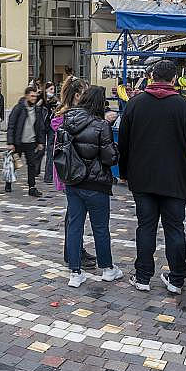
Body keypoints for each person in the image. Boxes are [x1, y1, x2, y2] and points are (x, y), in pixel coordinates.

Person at [118, 59, 186, 295]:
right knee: (175, 228)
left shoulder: (135, 104)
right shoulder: (184, 106)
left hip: (142, 177)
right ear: (174, 79)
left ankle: (143, 276)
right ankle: (176, 278)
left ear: (152, 77)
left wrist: (124, 172)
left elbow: (123, 144)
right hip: (175, 177)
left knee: (145, 227)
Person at [61, 86, 122, 287]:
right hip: (96, 183)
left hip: (73, 181)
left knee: (74, 226)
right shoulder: (101, 125)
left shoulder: (68, 119)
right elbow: (110, 158)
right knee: (100, 227)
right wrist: (116, 150)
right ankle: (107, 268)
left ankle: (75, 272)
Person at [51, 77, 96, 269]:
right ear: (77, 95)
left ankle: (75, 250)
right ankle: (73, 252)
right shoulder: (71, 117)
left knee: (74, 214)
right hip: (72, 169)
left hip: (70, 168)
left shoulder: (69, 114)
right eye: (85, 93)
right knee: (75, 215)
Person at [6, 86, 46, 197]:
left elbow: (40, 127)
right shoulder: (18, 108)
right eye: (32, 96)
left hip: (31, 142)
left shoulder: (37, 110)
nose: (34, 98)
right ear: (26, 96)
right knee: (14, 164)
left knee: (32, 165)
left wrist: (40, 142)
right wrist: (10, 142)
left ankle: (32, 187)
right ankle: (8, 182)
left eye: (35, 96)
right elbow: (11, 125)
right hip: (18, 142)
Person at [41, 82, 59, 183]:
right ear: (46, 89)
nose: (52, 91)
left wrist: (56, 108)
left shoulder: (55, 100)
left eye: (53, 89)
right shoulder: (40, 100)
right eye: (51, 89)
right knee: (40, 150)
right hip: (41, 127)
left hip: (51, 127)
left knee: (50, 151)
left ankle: (48, 176)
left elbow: (58, 113)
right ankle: (36, 170)